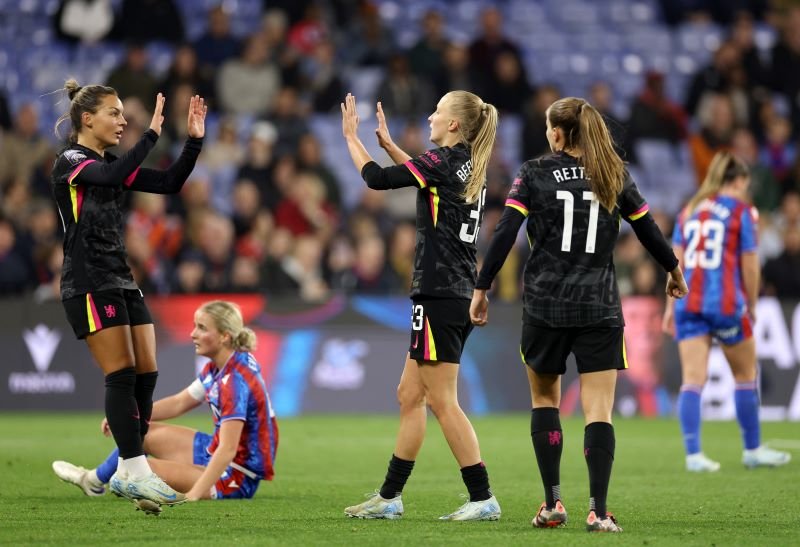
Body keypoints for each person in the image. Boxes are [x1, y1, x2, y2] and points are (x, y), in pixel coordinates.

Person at [470, 97, 689, 533]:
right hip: (599, 306)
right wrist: (673, 269)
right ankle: (599, 510)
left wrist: (482, 286)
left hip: (546, 305)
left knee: (545, 400)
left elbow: (505, 232)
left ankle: (552, 503)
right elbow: (647, 228)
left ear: (556, 133)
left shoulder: (533, 173)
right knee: (599, 409)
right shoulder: (611, 173)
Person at [340, 91, 501, 521]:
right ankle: (390, 497)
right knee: (409, 394)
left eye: (438, 110)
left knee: (442, 400)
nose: (430, 115)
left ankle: (482, 496)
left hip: (439, 293)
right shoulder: (466, 164)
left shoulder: (442, 163)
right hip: (455, 291)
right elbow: (426, 175)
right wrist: (392, 145)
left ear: (453, 125)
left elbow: (376, 179)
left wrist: (351, 139)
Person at [50, 79, 206, 512]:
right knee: (121, 374)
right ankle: (136, 470)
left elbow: (171, 182)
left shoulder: (109, 162)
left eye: (123, 113)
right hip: (87, 281)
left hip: (120, 276)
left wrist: (193, 142)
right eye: (114, 113)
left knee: (147, 374)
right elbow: (112, 174)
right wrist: (151, 135)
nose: (123, 121)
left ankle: (126, 469)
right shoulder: (71, 162)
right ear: (88, 119)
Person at [53, 300, 279, 508]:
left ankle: (138, 489)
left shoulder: (234, 381)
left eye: (202, 328)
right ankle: (94, 481)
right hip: (214, 450)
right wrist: (127, 416)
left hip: (237, 475)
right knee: (142, 432)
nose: (193, 334)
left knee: (141, 471)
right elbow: (180, 402)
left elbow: (229, 449)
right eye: (194, 326)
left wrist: (194, 494)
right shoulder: (219, 366)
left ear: (224, 337)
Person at [663, 152, 791, 472]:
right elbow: (749, 263)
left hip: (688, 303)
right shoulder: (742, 212)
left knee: (692, 380)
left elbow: (673, 261)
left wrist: (670, 307)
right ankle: (752, 449)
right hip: (725, 304)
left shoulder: (688, 210)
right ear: (739, 181)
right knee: (746, 376)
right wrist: (751, 303)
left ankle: (694, 455)